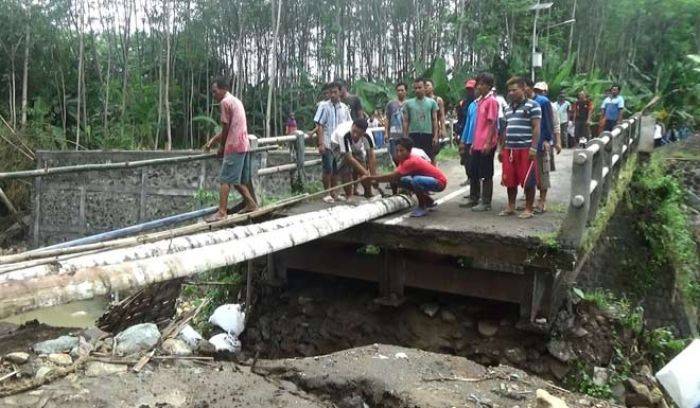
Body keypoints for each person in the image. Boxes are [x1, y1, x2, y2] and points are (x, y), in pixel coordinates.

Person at [204, 77, 258, 221]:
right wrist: (212, 141)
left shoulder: (225, 102)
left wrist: (221, 146)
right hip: (243, 145)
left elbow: (226, 128)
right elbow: (228, 128)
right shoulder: (235, 101)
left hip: (234, 146)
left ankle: (222, 212)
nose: (213, 95)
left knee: (225, 180)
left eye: (215, 92)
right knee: (236, 179)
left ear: (223, 89)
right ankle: (251, 204)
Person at [363, 137, 446, 217]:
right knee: (400, 180)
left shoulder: (411, 161)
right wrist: (374, 179)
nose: (398, 153)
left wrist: (371, 178)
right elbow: (394, 176)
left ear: (409, 151)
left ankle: (422, 206)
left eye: (401, 150)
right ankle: (428, 201)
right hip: (429, 181)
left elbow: (392, 176)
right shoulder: (403, 160)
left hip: (439, 182)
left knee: (416, 181)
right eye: (397, 150)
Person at [499, 76, 541, 219]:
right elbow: (505, 129)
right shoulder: (508, 108)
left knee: (528, 179)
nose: (511, 93)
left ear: (523, 89)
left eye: (514, 90)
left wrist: (533, 148)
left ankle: (529, 208)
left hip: (525, 147)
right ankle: (511, 206)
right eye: (509, 91)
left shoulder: (533, 105)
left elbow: (536, 128)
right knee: (509, 179)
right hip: (510, 148)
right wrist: (502, 148)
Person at [464, 73, 499, 212]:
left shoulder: (491, 101)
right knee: (474, 171)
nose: (479, 86)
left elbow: (492, 123)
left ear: (489, 86)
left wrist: (488, 142)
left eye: (483, 84)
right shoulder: (480, 102)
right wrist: (473, 143)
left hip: (486, 143)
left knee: (486, 173)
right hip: (477, 142)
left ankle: (486, 202)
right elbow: (477, 125)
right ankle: (475, 197)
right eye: (479, 84)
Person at [313, 81, 352, 203]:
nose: (333, 95)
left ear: (340, 92)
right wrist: (321, 143)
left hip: (339, 143)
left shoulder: (345, 108)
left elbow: (348, 125)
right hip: (327, 141)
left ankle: (334, 192)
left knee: (336, 169)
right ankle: (327, 192)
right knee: (328, 168)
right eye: (330, 92)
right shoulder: (324, 106)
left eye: (335, 92)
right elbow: (319, 125)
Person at [532, 82, 561, 214]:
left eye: (541, 91)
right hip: (533, 142)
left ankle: (542, 200)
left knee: (544, 171)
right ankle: (531, 199)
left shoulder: (548, 105)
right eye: (537, 90)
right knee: (532, 171)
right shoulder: (531, 103)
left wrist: (555, 141)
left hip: (544, 141)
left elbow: (554, 124)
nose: (539, 93)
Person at [330, 119, 377, 199]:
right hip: (337, 143)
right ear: (352, 127)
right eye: (354, 131)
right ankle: (349, 195)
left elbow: (371, 155)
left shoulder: (368, 135)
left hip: (356, 146)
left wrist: (373, 176)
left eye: (359, 133)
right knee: (345, 169)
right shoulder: (343, 134)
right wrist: (366, 173)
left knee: (362, 165)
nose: (355, 135)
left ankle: (368, 192)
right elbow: (349, 158)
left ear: (363, 133)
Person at [402, 78, 439, 163]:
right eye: (415, 88)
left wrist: (435, 135)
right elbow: (406, 121)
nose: (417, 90)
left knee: (428, 158)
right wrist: (405, 136)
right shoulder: (408, 103)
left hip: (427, 134)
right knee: (414, 158)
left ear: (424, 88)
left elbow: (434, 120)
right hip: (413, 135)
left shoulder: (432, 103)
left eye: (419, 87)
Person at [459, 91, 479, 205]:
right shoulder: (471, 105)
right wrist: (463, 140)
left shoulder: (488, 103)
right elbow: (467, 124)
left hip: (479, 142)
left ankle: (482, 198)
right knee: (471, 170)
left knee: (482, 172)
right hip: (469, 141)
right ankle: (474, 196)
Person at [385, 82, 408, 164]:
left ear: (406, 91)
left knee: (406, 156)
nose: (400, 92)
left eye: (402, 90)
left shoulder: (409, 104)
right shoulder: (390, 104)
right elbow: (387, 119)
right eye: (398, 90)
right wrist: (386, 133)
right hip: (393, 135)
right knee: (395, 156)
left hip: (406, 135)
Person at [425, 79, 446, 150]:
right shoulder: (421, 100)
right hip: (424, 127)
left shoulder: (438, 100)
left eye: (427, 85)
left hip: (434, 128)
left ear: (433, 87)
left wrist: (443, 129)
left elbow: (442, 116)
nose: (426, 88)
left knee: (433, 150)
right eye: (424, 86)